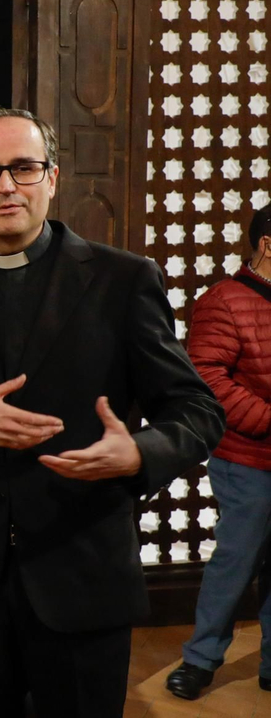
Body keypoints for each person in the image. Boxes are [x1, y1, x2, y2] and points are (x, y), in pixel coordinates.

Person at [0, 106, 223, 717]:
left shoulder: (122, 280)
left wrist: (138, 452)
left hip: (80, 574)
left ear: (51, 179)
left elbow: (196, 409)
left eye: (23, 168)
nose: (6, 185)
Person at [166, 203, 271, 700]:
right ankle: (201, 659)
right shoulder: (223, 301)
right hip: (247, 457)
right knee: (237, 559)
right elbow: (207, 379)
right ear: (267, 243)